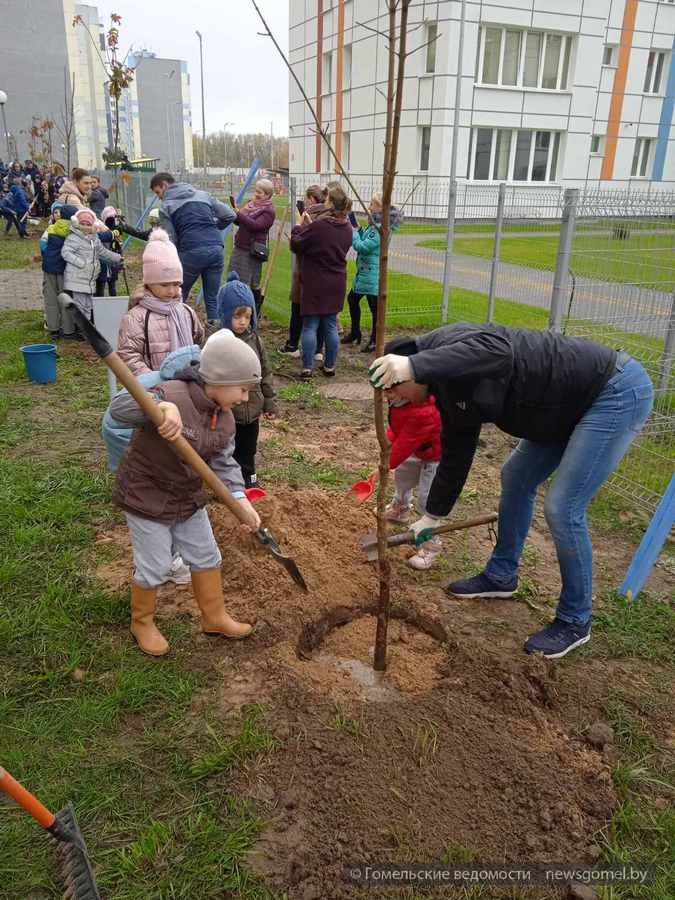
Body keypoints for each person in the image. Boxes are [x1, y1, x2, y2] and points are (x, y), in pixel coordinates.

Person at [369, 325, 654, 658]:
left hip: (609, 392)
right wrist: (432, 514)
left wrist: (414, 366)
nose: (391, 398)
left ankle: (575, 619)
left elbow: (499, 348)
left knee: (563, 508)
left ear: (413, 369)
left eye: (392, 387)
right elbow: (458, 449)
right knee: (516, 476)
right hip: (558, 408)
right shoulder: (442, 390)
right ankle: (502, 575)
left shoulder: (450, 344)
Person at [108, 328, 262, 656]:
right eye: (243, 389)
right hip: (146, 494)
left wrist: (239, 499)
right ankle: (143, 622)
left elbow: (224, 463)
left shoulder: (225, 419)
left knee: (207, 555)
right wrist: (161, 407)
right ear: (219, 380)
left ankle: (214, 617)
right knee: (156, 566)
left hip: (187, 496)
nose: (245, 398)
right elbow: (119, 409)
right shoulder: (174, 393)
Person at [150, 172, 235, 326]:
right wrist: (211, 226)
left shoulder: (166, 207)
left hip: (190, 251)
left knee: (177, 293)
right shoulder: (203, 195)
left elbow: (171, 239)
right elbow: (229, 215)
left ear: (164, 185)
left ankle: (174, 327)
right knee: (212, 297)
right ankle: (214, 336)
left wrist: (170, 261)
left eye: (158, 192)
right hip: (215, 248)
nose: (159, 197)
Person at [117, 228, 205, 376]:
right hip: (154, 392)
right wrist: (153, 380)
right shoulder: (136, 317)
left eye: (176, 284)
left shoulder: (186, 312)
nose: (171, 291)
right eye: (164, 285)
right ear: (149, 283)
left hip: (187, 384)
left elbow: (198, 341)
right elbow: (128, 354)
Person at [217, 271, 277, 488]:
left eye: (247, 316)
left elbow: (266, 372)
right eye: (237, 316)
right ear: (225, 315)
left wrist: (269, 401)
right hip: (229, 412)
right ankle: (229, 485)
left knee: (248, 449)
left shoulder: (256, 341)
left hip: (252, 410)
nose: (243, 322)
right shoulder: (219, 343)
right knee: (228, 449)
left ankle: (250, 482)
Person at [289, 183, 353, 379]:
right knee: (331, 325)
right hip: (336, 281)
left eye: (326, 199)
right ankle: (330, 366)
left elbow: (296, 244)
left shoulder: (319, 226)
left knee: (310, 325)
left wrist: (298, 226)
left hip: (315, 281)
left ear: (331, 203)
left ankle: (307, 368)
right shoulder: (348, 228)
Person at [381, 388, 443, 570]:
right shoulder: (399, 402)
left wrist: (383, 465)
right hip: (418, 448)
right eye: (384, 390)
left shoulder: (424, 410)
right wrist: (387, 441)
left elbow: (403, 444)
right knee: (403, 476)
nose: (386, 395)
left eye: (390, 391)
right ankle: (400, 507)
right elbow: (397, 428)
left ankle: (431, 543)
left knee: (427, 499)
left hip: (435, 456)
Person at [342, 193, 403, 353]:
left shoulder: (381, 227)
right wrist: (358, 229)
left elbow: (362, 246)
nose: (369, 207)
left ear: (380, 207)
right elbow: (366, 239)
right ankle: (356, 333)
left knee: (373, 307)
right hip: (366, 272)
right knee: (353, 300)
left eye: (372, 204)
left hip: (372, 273)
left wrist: (354, 232)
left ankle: (375, 340)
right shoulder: (376, 224)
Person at [278, 184, 327, 357]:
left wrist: (296, 229)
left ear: (312, 198)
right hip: (321, 272)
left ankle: (293, 345)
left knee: (298, 310)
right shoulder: (328, 216)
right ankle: (318, 350)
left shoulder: (310, 217)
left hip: (305, 270)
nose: (304, 201)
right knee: (319, 313)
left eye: (306, 198)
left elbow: (298, 243)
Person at [61, 208, 122, 321]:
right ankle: (81, 328)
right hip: (77, 278)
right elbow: (65, 252)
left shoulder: (94, 239)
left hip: (89, 279)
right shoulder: (73, 237)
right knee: (80, 305)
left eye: (88, 223)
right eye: (82, 223)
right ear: (76, 223)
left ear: (93, 225)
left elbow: (103, 252)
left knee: (88, 305)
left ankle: (87, 327)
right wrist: (81, 263)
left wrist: (117, 258)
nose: (85, 226)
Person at [227, 179, 276, 313]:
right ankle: (236, 309)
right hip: (240, 246)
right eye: (256, 191)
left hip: (251, 250)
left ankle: (251, 311)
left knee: (249, 282)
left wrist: (239, 214)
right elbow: (240, 222)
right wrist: (235, 212)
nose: (256, 194)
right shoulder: (250, 205)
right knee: (235, 277)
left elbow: (255, 226)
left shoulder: (268, 211)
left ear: (267, 195)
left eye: (260, 192)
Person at [39, 203, 79, 339]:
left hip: (49, 268)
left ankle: (53, 329)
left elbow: (43, 245)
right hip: (65, 269)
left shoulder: (51, 228)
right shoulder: (75, 230)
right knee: (66, 299)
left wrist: (48, 257)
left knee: (51, 298)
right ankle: (68, 330)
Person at [96, 206, 125, 297]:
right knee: (103, 286)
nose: (111, 221)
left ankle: (106, 304)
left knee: (108, 286)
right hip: (105, 264)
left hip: (111, 264)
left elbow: (119, 248)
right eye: (109, 219)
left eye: (112, 218)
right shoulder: (101, 231)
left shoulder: (115, 231)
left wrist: (120, 263)